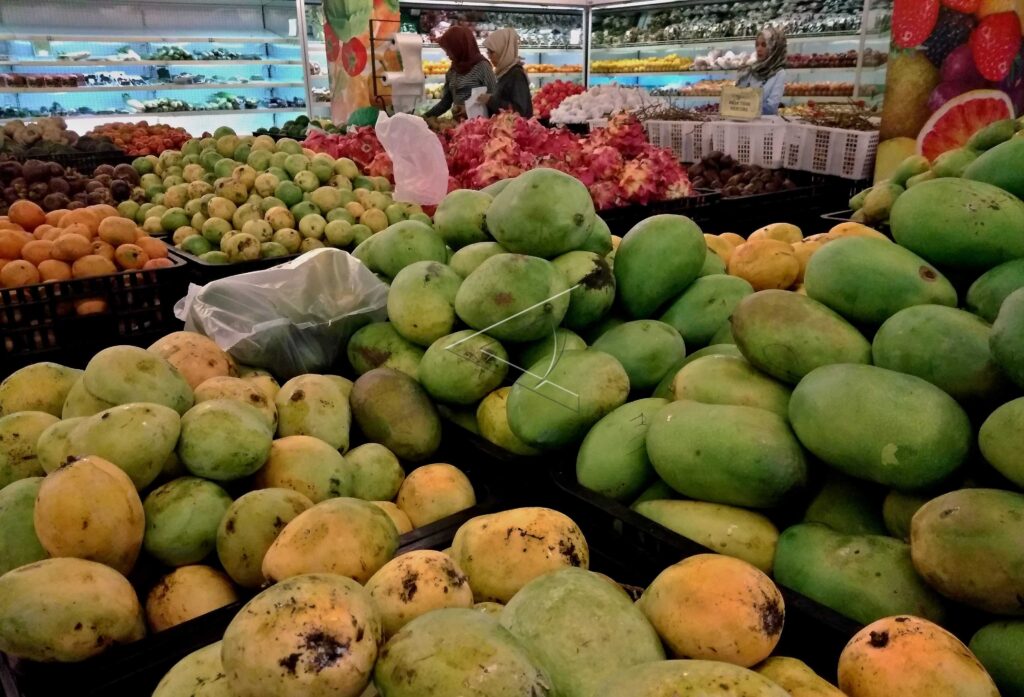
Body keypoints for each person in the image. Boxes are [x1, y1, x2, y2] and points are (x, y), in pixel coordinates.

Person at [423, 26, 497, 120]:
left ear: (459, 47)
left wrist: (469, 110)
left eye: (449, 50)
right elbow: (446, 101)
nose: (447, 54)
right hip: (457, 126)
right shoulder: (453, 70)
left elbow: (494, 99)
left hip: (478, 127)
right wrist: (425, 117)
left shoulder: (483, 67)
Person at [479, 28, 533, 118]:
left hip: (514, 130)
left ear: (503, 50)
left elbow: (520, 111)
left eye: (491, 52)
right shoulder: (505, 72)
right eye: (488, 52)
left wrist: (491, 100)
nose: (489, 56)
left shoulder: (516, 75)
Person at [736, 25, 787, 116]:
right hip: (743, 122)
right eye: (757, 45)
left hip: (765, 125)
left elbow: (771, 107)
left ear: (774, 47)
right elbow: (736, 97)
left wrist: (746, 106)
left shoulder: (779, 73)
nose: (759, 49)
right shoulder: (750, 69)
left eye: (764, 45)